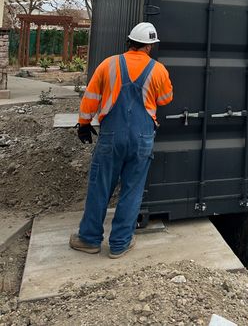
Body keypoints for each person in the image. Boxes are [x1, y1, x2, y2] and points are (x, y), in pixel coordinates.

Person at [69, 22, 173, 258]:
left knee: (100, 187)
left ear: (130, 42)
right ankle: (120, 244)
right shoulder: (158, 70)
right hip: (142, 137)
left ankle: (89, 239)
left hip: (111, 136)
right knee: (132, 191)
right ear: (149, 46)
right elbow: (166, 98)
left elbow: (91, 97)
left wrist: (84, 124)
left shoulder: (109, 64)